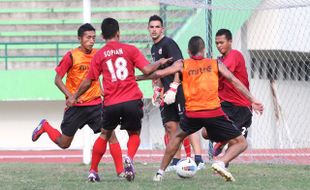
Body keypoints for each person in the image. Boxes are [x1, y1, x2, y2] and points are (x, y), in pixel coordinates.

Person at [66, 17, 171, 182]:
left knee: (105, 134)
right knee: (134, 133)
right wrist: (160, 62)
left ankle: (93, 171)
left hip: (111, 102)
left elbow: (88, 81)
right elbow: (147, 69)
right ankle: (129, 157)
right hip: (131, 100)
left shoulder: (99, 55)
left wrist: (74, 96)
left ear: (102, 35)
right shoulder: (130, 49)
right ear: (118, 33)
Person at [144, 36, 263, 182]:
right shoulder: (215, 63)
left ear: (188, 51)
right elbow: (234, 80)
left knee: (177, 136)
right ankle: (221, 162)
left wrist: (135, 78)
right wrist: (253, 100)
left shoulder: (183, 64)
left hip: (192, 113)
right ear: (204, 50)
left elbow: (159, 73)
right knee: (242, 142)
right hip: (213, 112)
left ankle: (159, 173)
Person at [31, 23, 124, 181]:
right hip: (76, 107)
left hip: (95, 104)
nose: (91, 41)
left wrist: (101, 90)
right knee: (64, 143)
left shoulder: (97, 54)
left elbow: (96, 75)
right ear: (79, 38)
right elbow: (57, 79)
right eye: (88, 37)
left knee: (110, 134)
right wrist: (70, 96)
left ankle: (121, 172)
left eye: (94, 37)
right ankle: (45, 126)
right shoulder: (71, 56)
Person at [147, 15, 205, 170]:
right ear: (148, 29)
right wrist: (158, 90)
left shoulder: (168, 43)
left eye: (157, 27)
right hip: (166, 92)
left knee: (188, 123)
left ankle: (199, 159)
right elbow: (159, 72)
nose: (154, 29)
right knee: (171, 126)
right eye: (151, 27)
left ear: (162, 29)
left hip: (179, 89)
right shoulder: (153, 48)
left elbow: (180, 64)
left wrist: (174, 85)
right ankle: (176, 160)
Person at [204, 29, 255, 158]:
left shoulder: (235, 55)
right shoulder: (219, 60)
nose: (219, 45)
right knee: (205, 132)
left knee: (239, 143)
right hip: (225, 105)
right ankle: (223, 141)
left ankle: (222, 164)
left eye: (221, 42)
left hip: (241, 107)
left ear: (230, 41)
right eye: (217, 43)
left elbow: (222, 71)